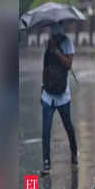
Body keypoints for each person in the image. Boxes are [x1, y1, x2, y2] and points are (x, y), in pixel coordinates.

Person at [40, 22, 78, 175]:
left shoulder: (67, 42)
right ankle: (46, 163)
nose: (55, 29)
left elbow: (69, 64)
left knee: (68, 126)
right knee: (46, 131)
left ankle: (74, 154)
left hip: (63, 95)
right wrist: (42, 89)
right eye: (52, 26)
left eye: (57, 26)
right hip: (48, 95)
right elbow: (46, 66)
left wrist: (56, 51)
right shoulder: (48, 42)